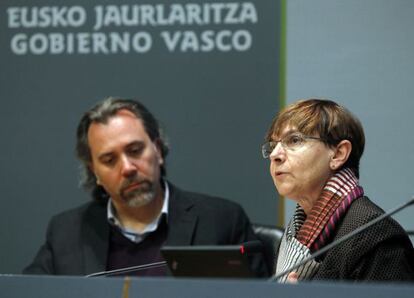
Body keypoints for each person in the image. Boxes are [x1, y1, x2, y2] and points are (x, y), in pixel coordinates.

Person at [24, 97, 267, 277]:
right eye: (109, 160)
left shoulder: (220, 221)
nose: (128, 168)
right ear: (94, 172)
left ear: (158, 150)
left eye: (135, 150)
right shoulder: (66, 232)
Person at [261, 99, 414, 282]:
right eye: (272, 145)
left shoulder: (376, 235)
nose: (274, 155)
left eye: (294, 140)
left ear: (338, 154)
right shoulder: (294, 235)